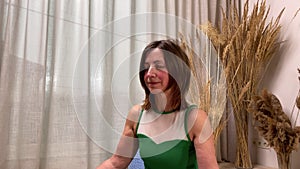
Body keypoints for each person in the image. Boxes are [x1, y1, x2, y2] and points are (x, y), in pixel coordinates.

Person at [96, 39, 219, 169]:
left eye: (159, 66)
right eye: (146, 67)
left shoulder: (196, 119)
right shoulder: (136, 115)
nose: (149, 73)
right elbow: (116, 162)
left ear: (177, 71)